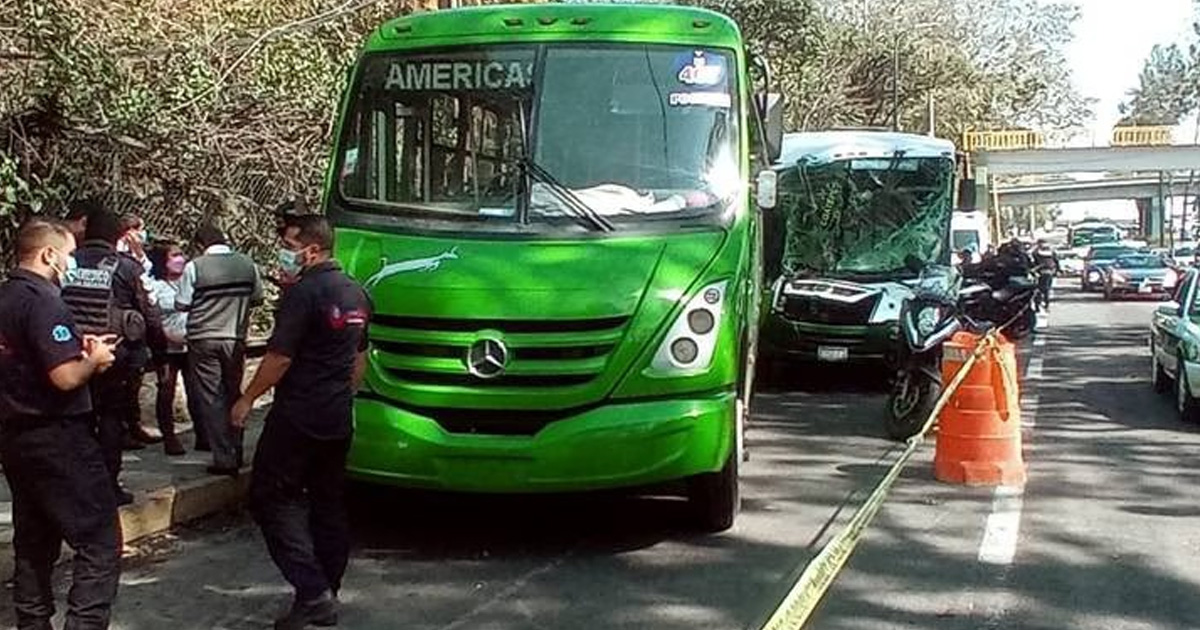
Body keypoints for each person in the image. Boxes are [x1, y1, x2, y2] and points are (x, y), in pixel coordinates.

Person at [231, 215, 370, 630]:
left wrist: (247, 398)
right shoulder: (357, 293)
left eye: (290, 244)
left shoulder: (304, 293)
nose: (284, 253)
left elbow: (280, 358)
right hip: (336, 416)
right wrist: (340, 396)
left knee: (269, 497)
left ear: (311, 250)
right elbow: (359, 361)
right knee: (328, 502)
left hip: (298, 415)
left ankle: (312, 591)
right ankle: (326, 589)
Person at [0, 218, 122, 630]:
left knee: (34, 542)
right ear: (49, 254)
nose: (70, 262)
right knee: (100, 542)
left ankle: (32, 623)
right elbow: (64, 377)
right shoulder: (44, 300)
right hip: (59, 437)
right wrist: (94, 360)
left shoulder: (5, 297)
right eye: (68, 254)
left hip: (15, 436)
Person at [62, 208, 166, 506]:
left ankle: (75, 486)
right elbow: (151, 313)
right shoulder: (127, 267)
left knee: (77, 421)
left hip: (72, 354)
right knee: (110, 420)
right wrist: (159, 355)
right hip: (114, 356)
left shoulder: (66, 262)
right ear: (119, 236)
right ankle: (108, 485)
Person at [177, 222, 263, 475]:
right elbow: (257, 297)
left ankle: (223, 458)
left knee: (212, 397)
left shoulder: (195, 267)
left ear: (200, 245)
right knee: (234, 392)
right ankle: (237, 447)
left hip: (202, 339)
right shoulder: (248, 264)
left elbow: (182, 303)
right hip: (234, 338)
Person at [145, 241, 193, 456]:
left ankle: (204, 433)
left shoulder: (190, 281)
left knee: (197, 390)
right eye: (174, 255)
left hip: (191, 343)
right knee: (166, 389)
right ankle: (169, 436)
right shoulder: (154, 285)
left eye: (182, 254)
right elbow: (151, 315)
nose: (180, 259)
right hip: (165, 345)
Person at [1031, 239, 1059, 312]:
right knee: (1046, 290)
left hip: (1040, 272)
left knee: (1038, 290)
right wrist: (1057, 270)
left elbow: (1032, 262)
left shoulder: (1036, 252)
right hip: (1048, 272)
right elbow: (1056, 261)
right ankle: (1045, 305)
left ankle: (1039, 306)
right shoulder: (1051, 252)